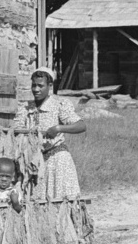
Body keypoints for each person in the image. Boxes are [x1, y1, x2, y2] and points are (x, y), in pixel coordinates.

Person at [13, 67, 86, 200]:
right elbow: (16, 130)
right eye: (33, 85)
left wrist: (58, 128)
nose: (36, 89)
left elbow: (81, 125)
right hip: (34, 162)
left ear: (50, 86)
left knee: (61, 201)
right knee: (37, 203)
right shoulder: (25, 108)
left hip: (57, 159)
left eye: (40, 86)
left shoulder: (59, 105)